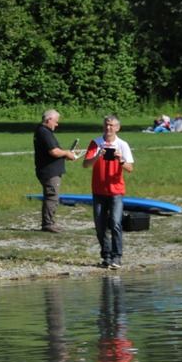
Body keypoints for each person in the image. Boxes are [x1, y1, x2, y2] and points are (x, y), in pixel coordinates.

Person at [83, 115, 135, 270]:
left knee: (115, 222)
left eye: (112, 125)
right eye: (106, 124)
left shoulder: (122, 145)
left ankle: (117, 256)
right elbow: (85, 164)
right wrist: (98, 155)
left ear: (117, 128)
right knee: (100, 225)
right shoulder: (96, 143)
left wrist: (121, 160)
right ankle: (106, 256)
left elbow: (130, 168)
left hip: (116, 190)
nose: (108, 128)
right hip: (99, 190)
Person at [34, 109, 77, 233]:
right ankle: (48, 224)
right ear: (49, 120)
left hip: (48, 170)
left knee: (52, 196)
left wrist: (64, 155)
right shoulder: (44, 132)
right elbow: (54, 151)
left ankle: (50, 222)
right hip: (49, 171)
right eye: (56, 121)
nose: (57, 124)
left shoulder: (42, 131)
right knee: (52, 197)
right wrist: (67, 153)